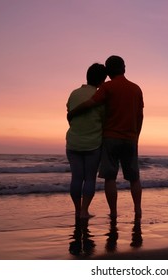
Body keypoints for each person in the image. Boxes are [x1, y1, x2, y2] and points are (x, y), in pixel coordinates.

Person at [67, 55, 144, 221]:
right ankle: (138, 210)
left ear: (108, 72)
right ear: (124, 68)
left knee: (110, 178)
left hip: (110, 138)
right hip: (131, 138)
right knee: (134, 178)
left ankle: (114, 212)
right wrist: (136, 136)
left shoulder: (108, 87)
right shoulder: (136, 89)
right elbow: (140, 116)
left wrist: (72, 113)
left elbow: (91, 103)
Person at [66, 63, 107, 222]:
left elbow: (69, 113)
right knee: (89, 178)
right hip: (93, 144)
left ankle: (77, 210)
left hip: (73, 142)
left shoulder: (74, 93)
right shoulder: (100, 97)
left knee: (76, 178)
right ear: (102, 80)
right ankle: (84, 211)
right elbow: (104, 120)